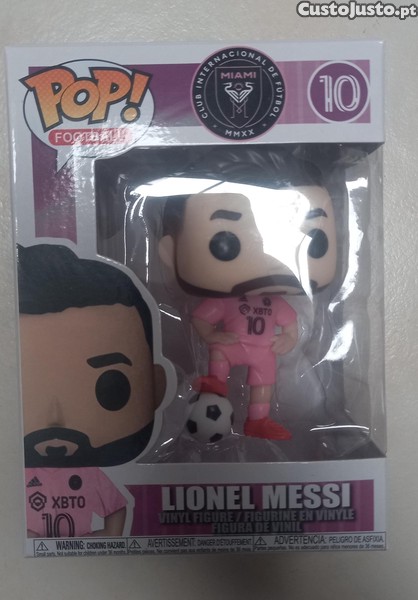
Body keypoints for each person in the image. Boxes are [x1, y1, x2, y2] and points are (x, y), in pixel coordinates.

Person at [157, 146, 337, 440]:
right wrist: (211, 335)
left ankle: (258, 420)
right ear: (171, 251)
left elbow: (290, 324)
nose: (271, 258)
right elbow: (200, 320)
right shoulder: (225, 302)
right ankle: (214, 385)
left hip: (264, 351)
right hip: (231, 344)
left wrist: (288, 339)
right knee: (218, 356)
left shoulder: (275, 303)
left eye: (315, 240)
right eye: (224, 242)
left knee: (264, 384)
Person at [19, 243, 166, 536]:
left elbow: (116, 509)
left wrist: (106, 540)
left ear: (156, 386)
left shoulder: (92, 477)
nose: (56, 422)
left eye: (110, 389)